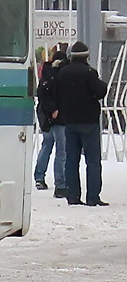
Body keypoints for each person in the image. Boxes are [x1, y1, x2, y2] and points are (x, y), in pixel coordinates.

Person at [52, 40, 110, 206]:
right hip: (89, 122)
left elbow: (56, 95)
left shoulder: (62, 73)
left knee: (71, 160)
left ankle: (73, 196)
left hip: (69, 122)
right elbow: (99, 91)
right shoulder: (89, 73)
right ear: (86, 57)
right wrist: (103, 84)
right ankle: (92, 197)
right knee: (92, 161)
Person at [34, 48, 68, 198]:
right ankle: (60, 182)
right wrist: (55, 110)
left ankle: (39, 176)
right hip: (58, 118)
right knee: (62, 151)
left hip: (45, 117)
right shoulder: (60, 75)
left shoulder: (46, 73)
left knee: (47, 146)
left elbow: (41, 93)